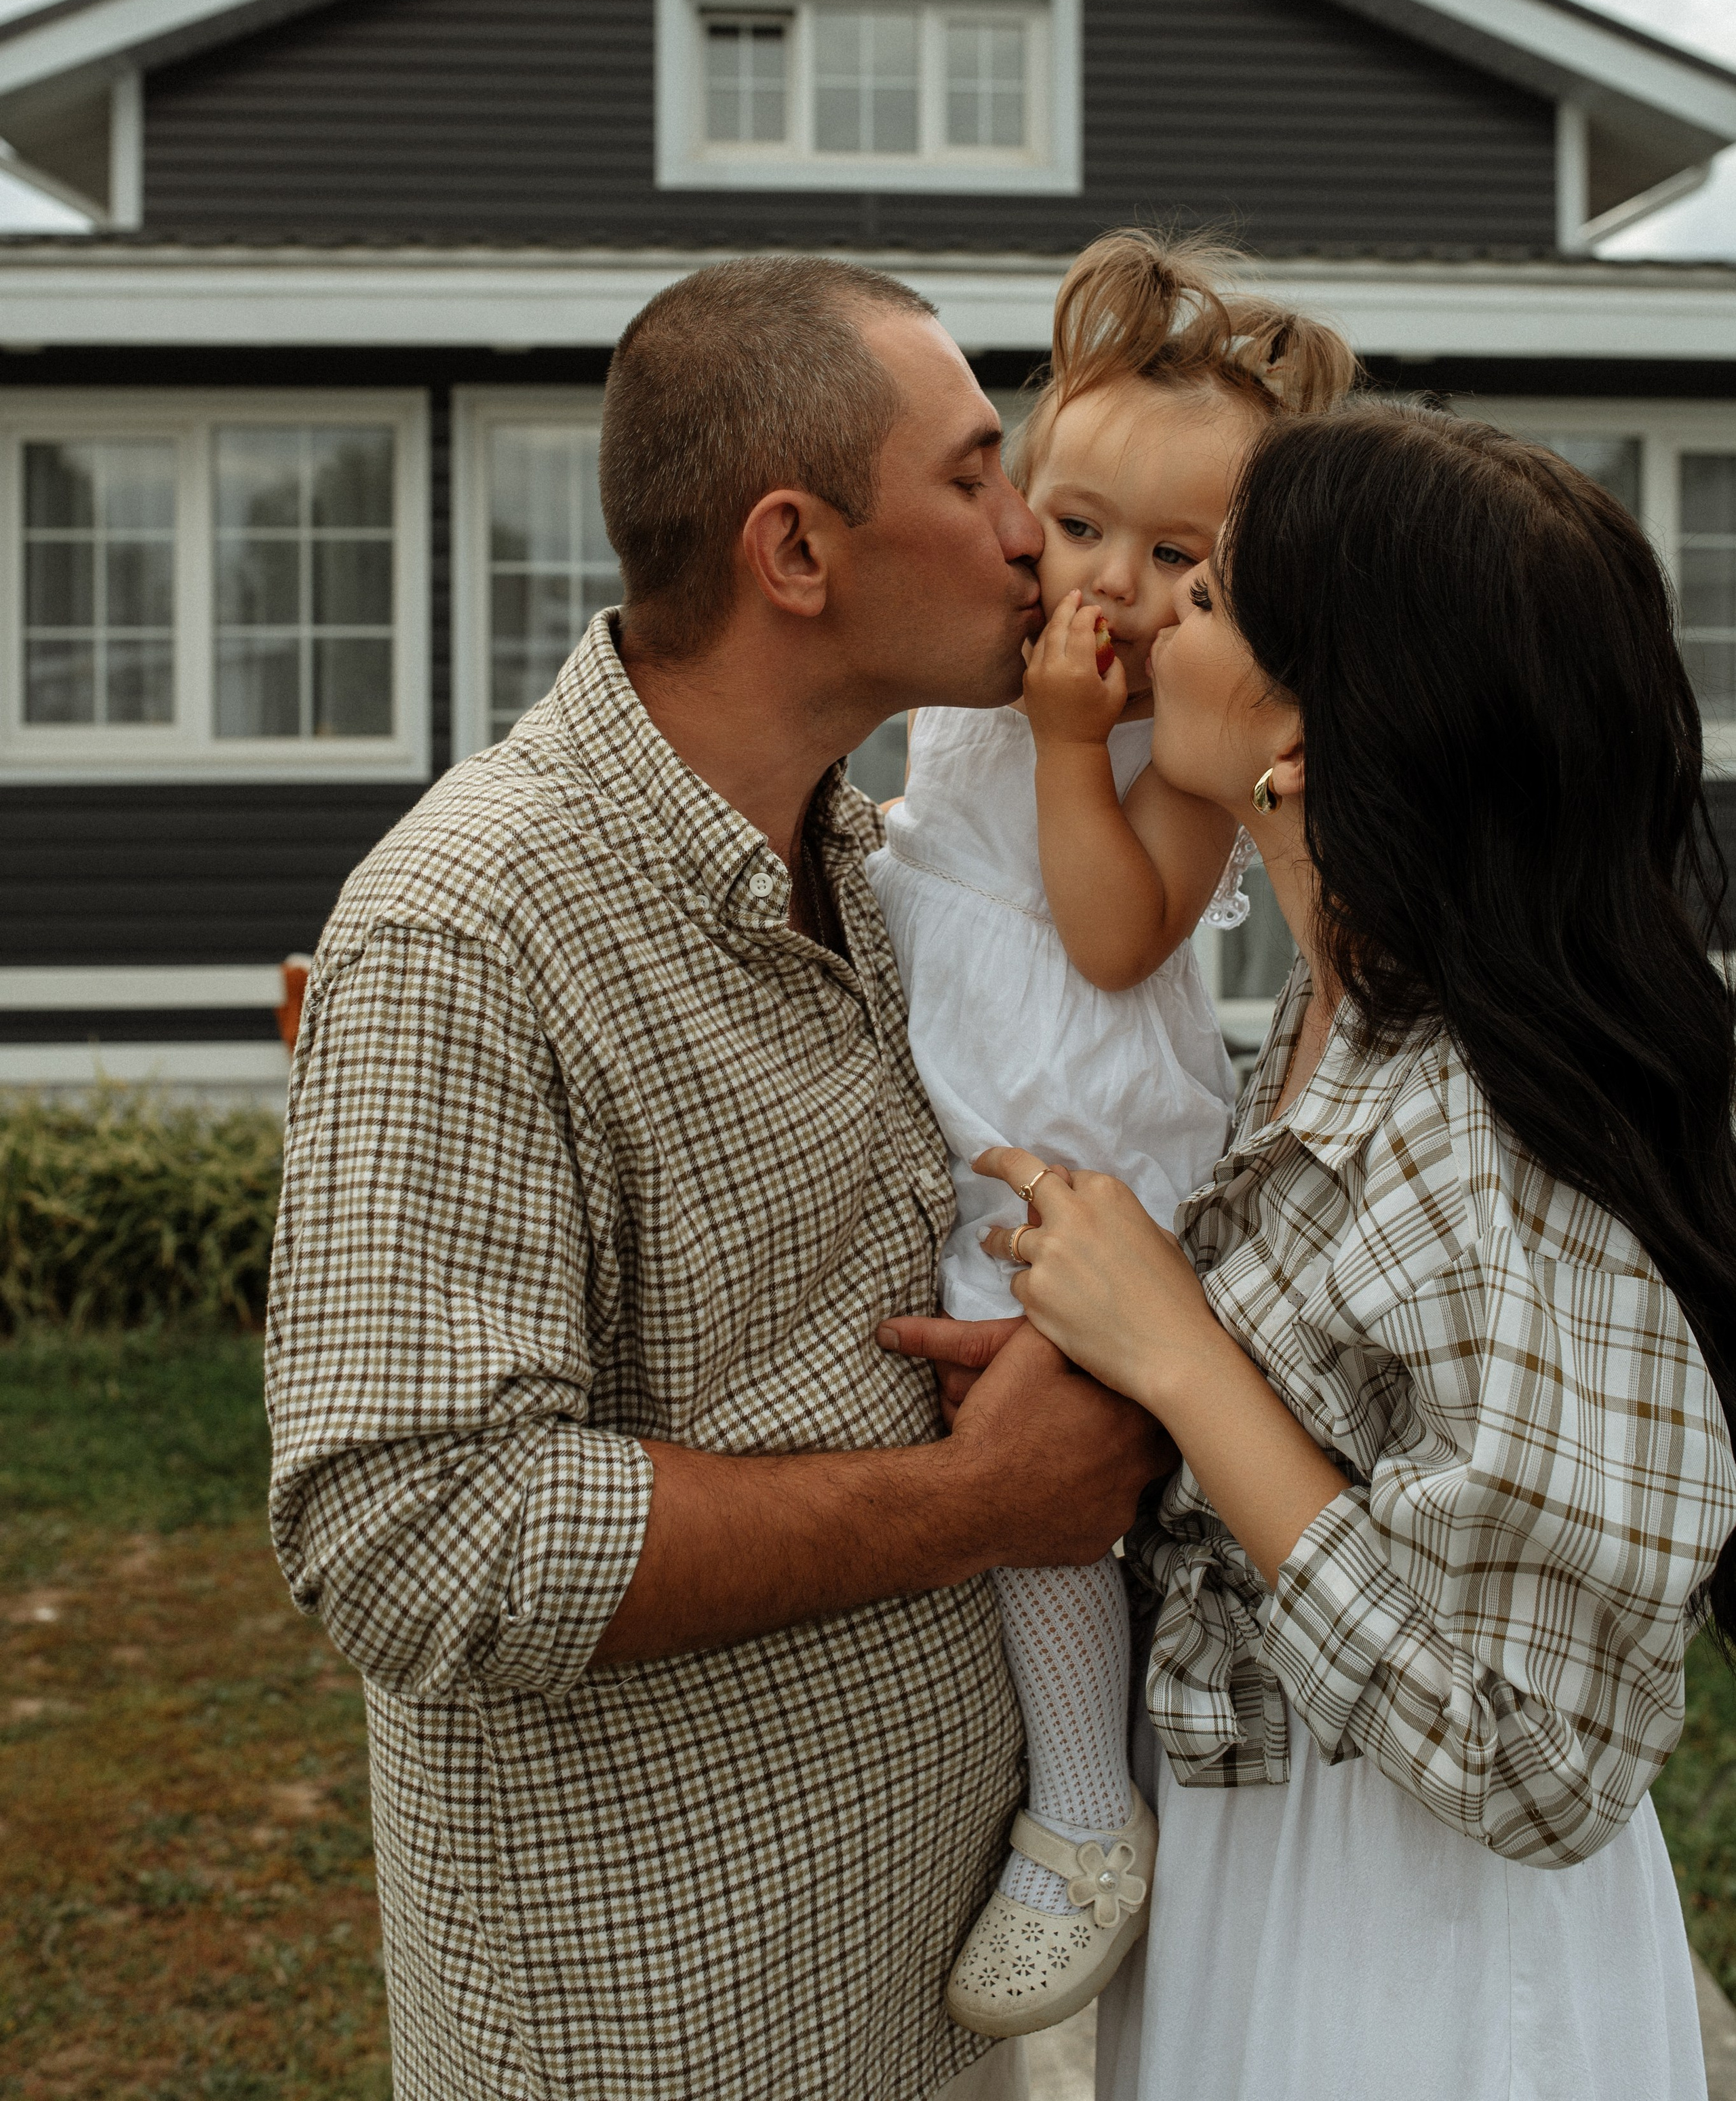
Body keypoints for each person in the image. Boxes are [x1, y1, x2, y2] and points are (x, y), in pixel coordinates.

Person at [264, 256, 1165, 2101]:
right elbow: (407, 1533)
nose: (1031, 544)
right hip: (660, 2027)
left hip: (924, 1991)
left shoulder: (877, 863)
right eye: (979, 479)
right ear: (796, 551)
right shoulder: (472, 927)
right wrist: (968, 1502)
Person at [888, 401, 1736, 2100]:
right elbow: (1354, 1436)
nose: (1136, 614)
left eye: (1201, 595)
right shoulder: (1326, 1011)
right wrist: (1124, 1387)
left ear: (1312, 727)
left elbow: (1534, 1760)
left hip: (1421, 1965)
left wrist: (1186, 1364)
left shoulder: (1498, 1125)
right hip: (1265, 1882)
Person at [865, 233, 1358, 2037]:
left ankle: (1085, 1809)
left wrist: (1078, 745)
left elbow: (1112, 933)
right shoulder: (978, 661)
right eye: (1076, 530)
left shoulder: (1185, 765)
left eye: (1177, 564)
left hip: (1077, 1137)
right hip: (970, 1088)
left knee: (1029, 1456)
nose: (1111, 591)